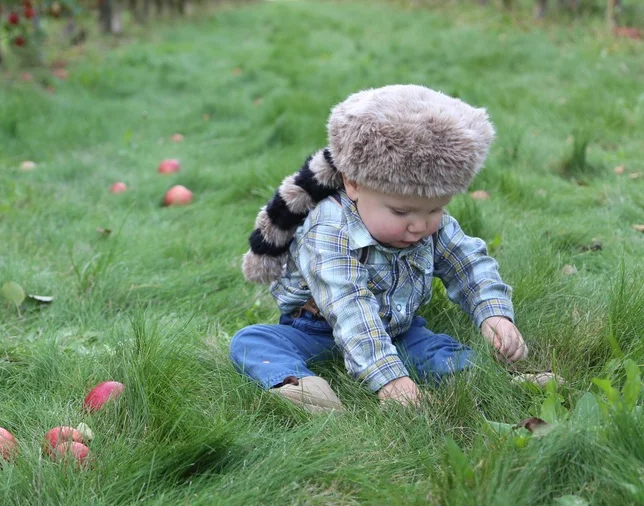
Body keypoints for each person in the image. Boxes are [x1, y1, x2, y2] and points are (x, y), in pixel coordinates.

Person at [231, 84, 550, 412]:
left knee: (436, 349)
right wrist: (389, 379)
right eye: (400, 212)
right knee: (252, 342)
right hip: (316, 329)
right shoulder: (328, 228)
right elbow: (348, 304)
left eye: (435, 210)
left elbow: (467, 263)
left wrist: (494, 315)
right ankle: (298, 385)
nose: (419, 226)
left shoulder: (424, 219)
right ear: (353, 183)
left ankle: (492, 379)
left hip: (398, 330)